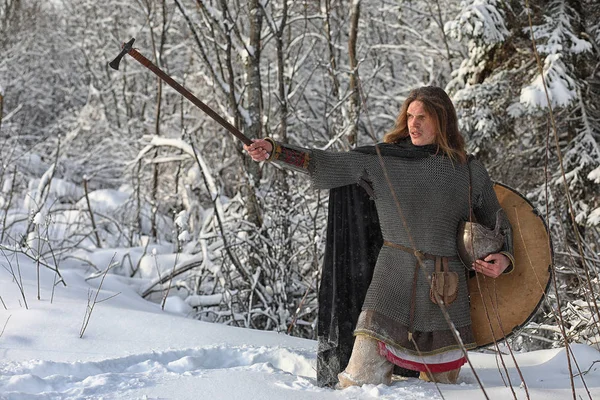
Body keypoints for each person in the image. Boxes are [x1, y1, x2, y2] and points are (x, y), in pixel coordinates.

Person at [244, 86, 515, 387]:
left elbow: (497, 220)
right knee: (357, 382)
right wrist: (276, 151)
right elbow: (324, 163)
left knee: (442, 390)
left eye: (422, 117)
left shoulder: (468, 170)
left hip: (444, 292)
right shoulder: (383, 160)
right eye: (410, 116)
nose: (413, 124)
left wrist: (505, 257)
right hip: (391, 284)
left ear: (443, 120)